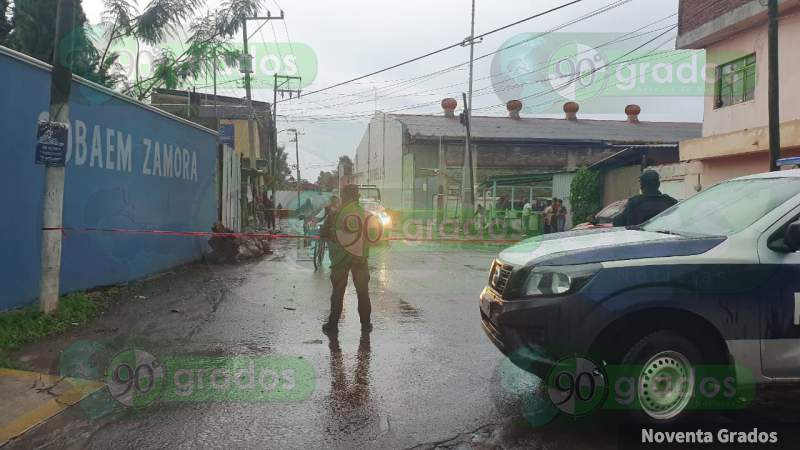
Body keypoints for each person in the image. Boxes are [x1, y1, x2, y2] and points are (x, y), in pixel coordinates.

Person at [321, 185, 373, 335]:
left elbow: (323, 233)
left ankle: (332, 326)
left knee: (338, 292)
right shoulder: (365, 214)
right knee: (363, 293)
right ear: (357, 196)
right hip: (360, 259)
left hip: (340, 260)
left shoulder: (336, 214)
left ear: (344, 197)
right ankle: (366, 325)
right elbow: (373, 236)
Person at [613, 170, 678, 227]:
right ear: (658, 184)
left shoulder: (634, 203)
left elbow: (618, 223)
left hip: (641, 239)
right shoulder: (671, 202)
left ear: (641, 185)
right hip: (667, 240)